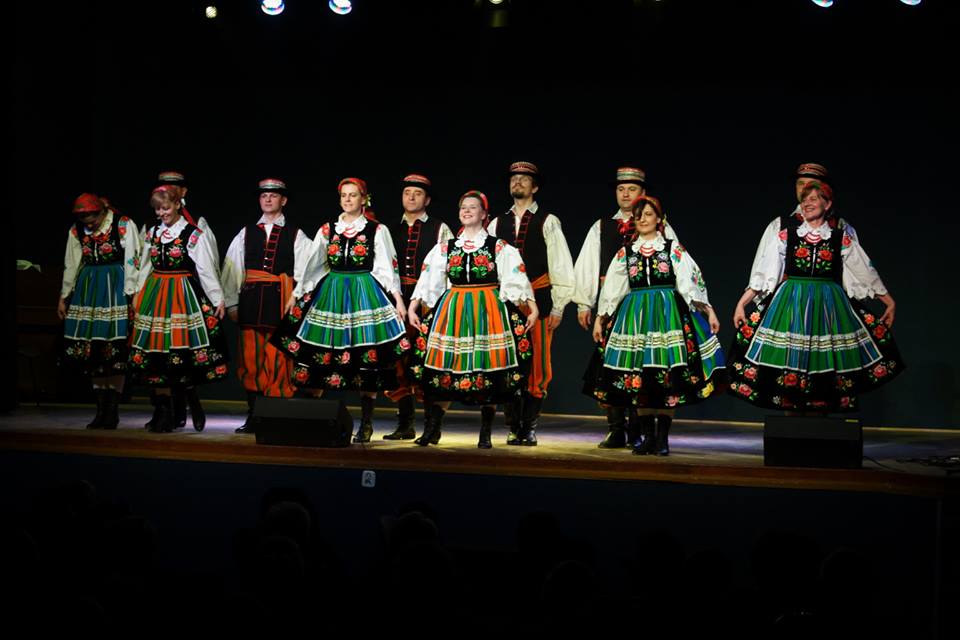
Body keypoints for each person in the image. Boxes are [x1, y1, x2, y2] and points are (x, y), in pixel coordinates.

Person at [728, 181, 903, 412]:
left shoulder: (840, 238)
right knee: (790, 356)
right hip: (792, 301)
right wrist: (742, 304)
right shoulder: (787, 236)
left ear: (827, 204)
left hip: (827, 304)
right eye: (804, 200)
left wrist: (889, 301)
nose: (807, 204)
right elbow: (765, 273)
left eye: (813, 199)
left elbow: (864, 271)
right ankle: (793, 409)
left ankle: (820, 410)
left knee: (824, 358)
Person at [585, 195, 725, 456]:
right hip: (635, 317)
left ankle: (662, 439)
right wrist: (600, 319)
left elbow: (690, 282)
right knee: (640, 378)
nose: (643, 219)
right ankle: (648, 437)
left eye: (648, 214)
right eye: (638, 216)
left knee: (666, 378)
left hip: (666, 315)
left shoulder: (672, 248)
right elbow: (613, 289)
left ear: (659, 219)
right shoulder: (626, 252)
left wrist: (709, 311)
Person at [270, 177, 408, 443]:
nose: (347, 199)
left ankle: (366, 422)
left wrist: (397, 299)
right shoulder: (328, 229)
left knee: (366, 358)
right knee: (320, 354)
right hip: (332, 292)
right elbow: (313, 265)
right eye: (344, 195)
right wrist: (297, 294)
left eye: (353, 195)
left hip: (363, 291)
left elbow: (386, 267)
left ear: (363, 199)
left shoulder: (376, 230)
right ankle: (312, 420)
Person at [407, 191, 538, 448]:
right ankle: (433, 428)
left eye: (473, 207)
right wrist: (413, 307)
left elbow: (516, 277)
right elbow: (428, 279)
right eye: (463, 207)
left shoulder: (498, 247)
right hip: (454, 309)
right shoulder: (446, 247)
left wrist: (532, 307)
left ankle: (485, 432)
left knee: (486, 367)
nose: (467, 211)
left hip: (488, 309)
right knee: (445, 366)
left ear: (484, 214)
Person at [487, 161, 576, 446]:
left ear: (535, 187)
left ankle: (529, 425)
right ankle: (513, 425)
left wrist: (559, 305)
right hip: (505, 303)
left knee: (538, 363)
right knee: (507, 360)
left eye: (524, 179)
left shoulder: (547, 221)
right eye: (514, 178)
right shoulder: (496, 223)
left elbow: (560, 265)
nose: (518, 182)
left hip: (540, 298)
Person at [129, 185, 228, 432]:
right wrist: (138, 293)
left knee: (179, 352)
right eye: (157, 209)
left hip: (181, 295)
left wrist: (217, 298)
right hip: (155, 293)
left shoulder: (193, 234)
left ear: (177, 205)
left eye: (165, 208)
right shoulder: (153, 233)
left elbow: (205, 269)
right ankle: (163, 411)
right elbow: (145, 265)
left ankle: (189, 400)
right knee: (157, 355)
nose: (161, 213)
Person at [221, 178, 313, 433]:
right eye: (264, 196)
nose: (268, 199)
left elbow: (307, 271)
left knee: (278, 357)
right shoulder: (246, 232)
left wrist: (297, 299)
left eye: (273, 195)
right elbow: (231, 270)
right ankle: (254, 414)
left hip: (280, 302)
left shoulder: (296, 234)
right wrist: (232, 303)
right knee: (251, 357)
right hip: (251, 302)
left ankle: (275, 414)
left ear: (283, 200)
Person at [382, 174, 454, 441]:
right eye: (407, 192)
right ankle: (405, 423)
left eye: (418, 193)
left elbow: (448, 266)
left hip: (428, 302)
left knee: (427, 361)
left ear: (428, 199)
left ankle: (432, 426)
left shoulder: (439, 228)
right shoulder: (389, 229)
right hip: (395, 301)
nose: (411, 197)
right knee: (397, 362)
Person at [58, 193, 140, 428]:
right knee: (93, 352)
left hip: (115, 287)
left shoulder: (122, 225)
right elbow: (71, 263)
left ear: (102, 212)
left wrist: (132, 293)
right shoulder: (76, 231)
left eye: (92, 218)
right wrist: (64, 296)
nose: (89, 224)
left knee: (114, 351)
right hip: (89, 289)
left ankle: (112, 410)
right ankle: (100, 410)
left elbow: (133, 259)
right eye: (84, 219)